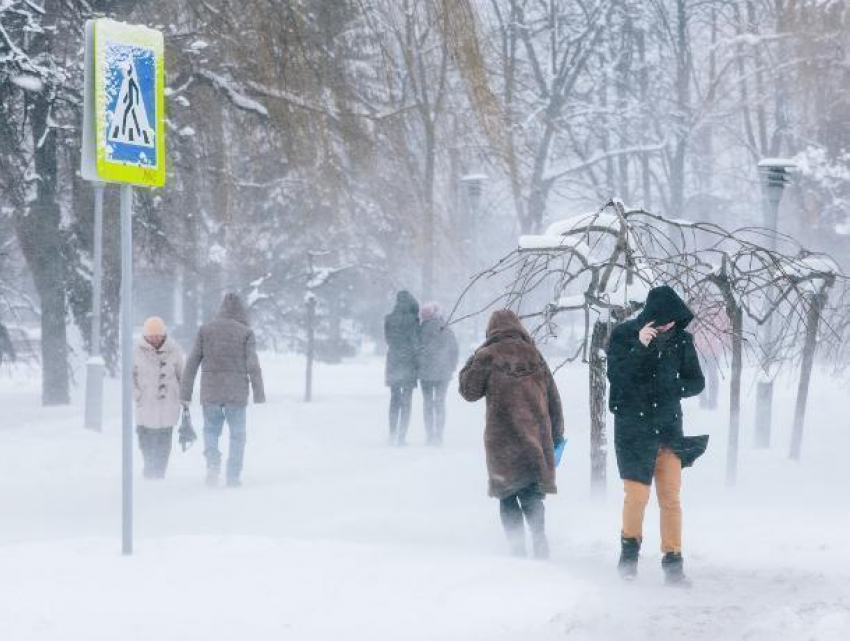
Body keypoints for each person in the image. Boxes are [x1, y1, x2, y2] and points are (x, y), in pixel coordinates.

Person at [606, 285, 708, 586]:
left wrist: (673, 387)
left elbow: (697, 382)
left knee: (671, 498)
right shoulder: (624, 335)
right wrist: (640, 346)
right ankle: (628, 555)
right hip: (633, 430)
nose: (668, 327)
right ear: (650, 318)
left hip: (668, 429)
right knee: (637, 496)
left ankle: (673, 563)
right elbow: (618, 378)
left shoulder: (682, 341)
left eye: (672, 322)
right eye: (662, 322)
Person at [459, 309, 564, 559]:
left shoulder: (487, 356)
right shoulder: (535, 355)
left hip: (501, 442)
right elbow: (553, 399)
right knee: (531, 493)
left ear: (491, 331)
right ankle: (540, 542)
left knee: (507, 496)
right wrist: (557, 435)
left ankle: (517, 550)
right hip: (535, 438)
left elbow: (468, 391)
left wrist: (473, 358)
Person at [180, 292, 265, 488]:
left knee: (211, 430)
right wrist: (259, 393)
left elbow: (192, 363)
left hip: (211, 392)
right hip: (236, 393)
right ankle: (233, 476)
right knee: (237, 435)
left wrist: (185, 393)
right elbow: (253, 364)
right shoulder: (246, 333)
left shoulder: (205, 331)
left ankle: (212, 461)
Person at [133, 317, 184, 479]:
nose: (155, 339)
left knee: (164, 440)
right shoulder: (136, 352)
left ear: (164, 334)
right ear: (145, 336)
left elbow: (182, 375)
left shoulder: (174, 350)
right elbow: (129, 377)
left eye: (158, 335)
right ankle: (149, 468)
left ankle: (160, 472)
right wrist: (137, 395)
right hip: (145, 404)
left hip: (167, 404)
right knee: (145, 439)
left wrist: (183, 397)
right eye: (151, 335)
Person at [418, 302, 459, 446]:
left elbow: (417, 349)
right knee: (440, 403)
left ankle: (430, 436)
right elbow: (454, 349)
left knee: (428, 404)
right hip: (443, 373)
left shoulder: (421, 330)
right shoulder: (446, 328)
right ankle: (439, 436)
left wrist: (419, 365)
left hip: (425, 373)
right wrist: (451, 366)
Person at [384, 290, 420, 446]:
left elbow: (388, 340)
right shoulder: (413, 320)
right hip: (408, 362)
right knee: (406, 401)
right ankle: (401, 436)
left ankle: (392, 434)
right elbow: (415, 342)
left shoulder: (389, 319)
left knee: (394, 400)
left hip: (393, 361)